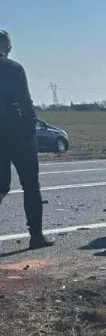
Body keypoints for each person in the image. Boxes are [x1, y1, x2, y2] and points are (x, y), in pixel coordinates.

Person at [0, 29, 53, 248]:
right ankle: (36, 236)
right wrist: (32, 128)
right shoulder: (14, 69)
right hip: (18, 131)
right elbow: (25, 101)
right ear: (7, 47)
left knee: (1, 186)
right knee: (31, 185)